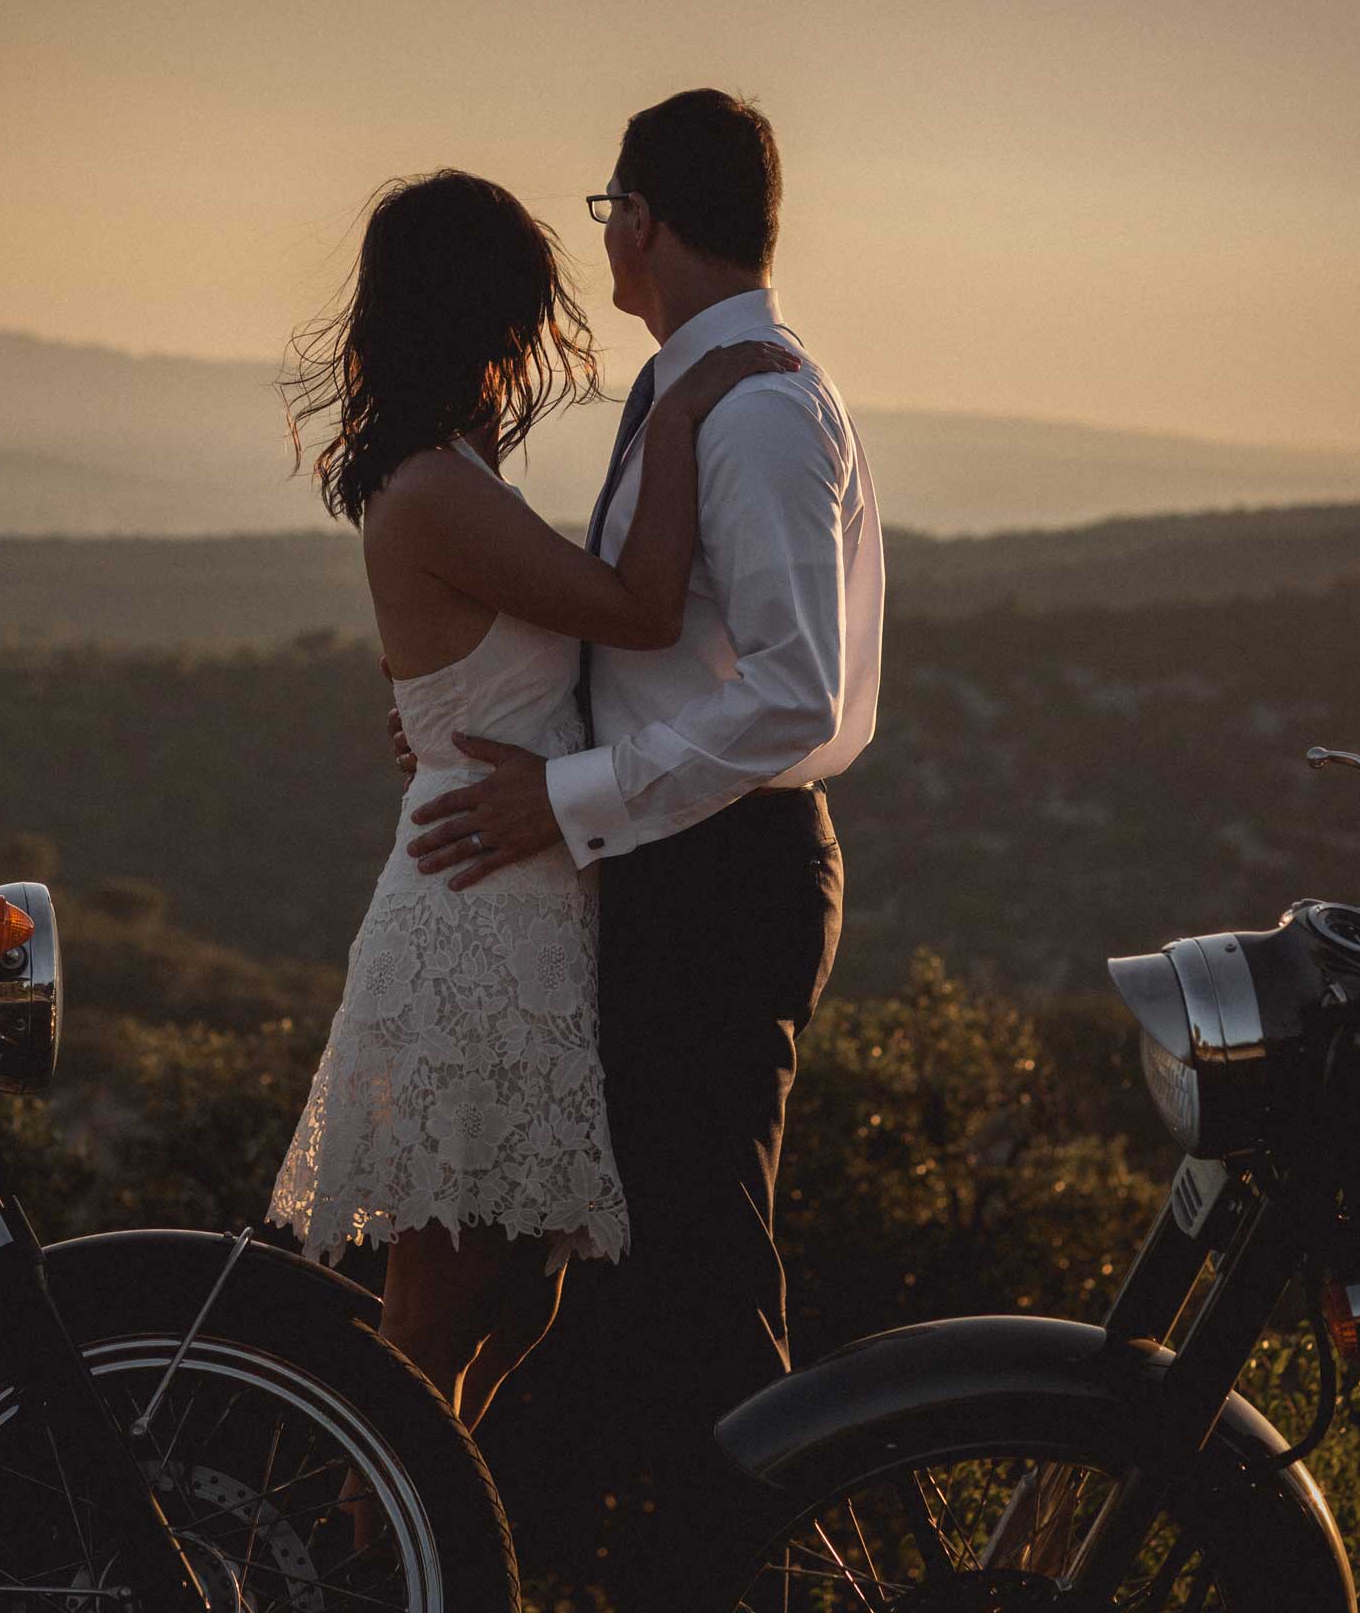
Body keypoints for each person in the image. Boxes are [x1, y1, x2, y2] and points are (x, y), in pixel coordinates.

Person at [398, 91, 885, 1603]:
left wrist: (572, 797)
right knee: (631, 1283)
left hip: (724, 878)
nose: (606, 230)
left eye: (612, 206)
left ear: (647, 223)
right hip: (674, 875)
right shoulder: (702, 391)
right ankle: (519, 1558)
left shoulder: (751, 411)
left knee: (700, 1276)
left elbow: (794, 693)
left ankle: (758, 1571)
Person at [266, 167, 797, 1432]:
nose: (536, 334)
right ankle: (366, 1545)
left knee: (512, 1304)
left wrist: (446, 730)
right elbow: (640, 611)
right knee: (429, 1319)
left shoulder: (450, 463)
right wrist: (675, 424)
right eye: (518, 305)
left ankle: (427, 1528)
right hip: (479, 920)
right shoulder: (437, 486)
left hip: (524, 901)